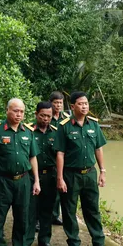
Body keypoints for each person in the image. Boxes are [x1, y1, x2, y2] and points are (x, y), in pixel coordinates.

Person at [0, 98, 41, 246]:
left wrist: (37, 180)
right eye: (15, 111)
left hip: (24, 181)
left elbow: (33, 157)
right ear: (7, 110)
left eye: (22, 112)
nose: (19, 115)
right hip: (2, 181)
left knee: (22, 218)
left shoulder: (28, 132)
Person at [54, 91, 111, 246]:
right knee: (69, 211)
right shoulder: (64, 126)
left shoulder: (93, 125)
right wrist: (60, 178)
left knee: (92, 209)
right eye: (80, 103)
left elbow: (98, 149)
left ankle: (98, 242)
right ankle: (74, 244)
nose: (84, 106)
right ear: (72, 107)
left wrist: (102, 171)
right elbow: (60, 153)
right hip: (71, 175)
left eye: (86, 103)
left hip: (90, 174)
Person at [24, 101, 58, 246]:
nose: (46, 119)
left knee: (47, 210)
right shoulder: (27, 131)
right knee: (30, 210)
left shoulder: (56, 132)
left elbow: (60, 155)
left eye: (49, 116)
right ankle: (27, 241)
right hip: (32, 177)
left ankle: (44, 240)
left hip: (50, 176)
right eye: (43, 115)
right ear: (36, 114)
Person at [49, 91, 69, 226]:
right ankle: (43, 216)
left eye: (60, 103)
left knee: (59, 190)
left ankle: (55, 215)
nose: (58, 105)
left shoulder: (67, 118)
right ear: (51, 103)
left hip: (63, 159)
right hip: (49, 156)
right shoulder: (46, 117)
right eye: (56, 102)